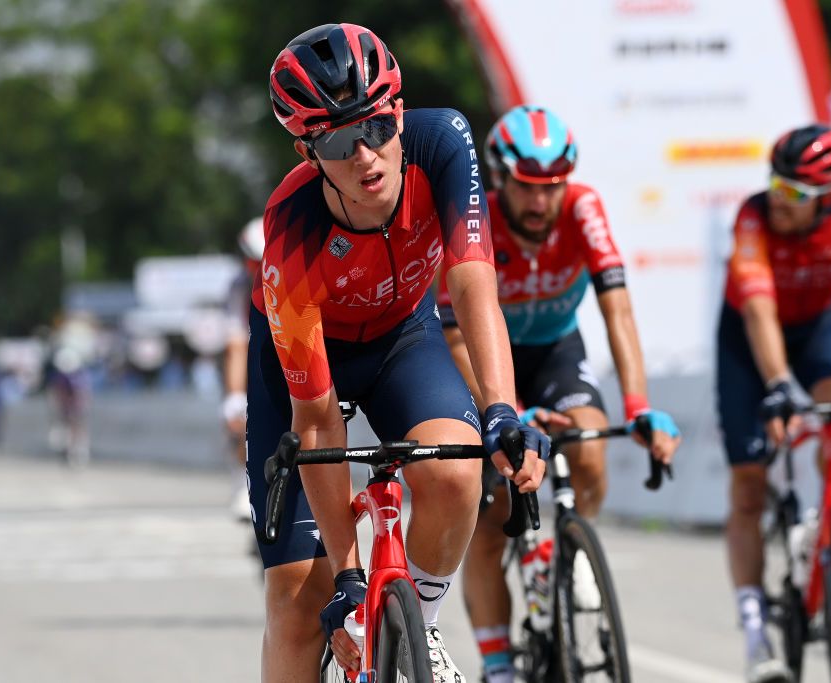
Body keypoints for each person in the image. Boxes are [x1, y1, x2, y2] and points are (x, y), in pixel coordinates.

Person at [250, 23, 548, 683]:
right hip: (305, 369)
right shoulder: (291, 229)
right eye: (336, 139)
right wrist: (349, 578)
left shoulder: (443, 142)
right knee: (300, 603)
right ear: (307, 149)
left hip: (400, 340)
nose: (366, 155)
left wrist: (501, 408)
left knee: (455, 472)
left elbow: (474, 286)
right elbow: (318, 417)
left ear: (400, 113)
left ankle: (423, 628)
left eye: (379, 127)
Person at [438, 105, 681, 683]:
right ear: (500, 179)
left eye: (553, 187)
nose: (542, 202)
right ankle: (497, 664)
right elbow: (453, 335)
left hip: (554, 350)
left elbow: (617, 308)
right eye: (528, 187)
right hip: (482, 355)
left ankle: (567, 551)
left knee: (591, 451)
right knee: (495, 510)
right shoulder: (475, 217)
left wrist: (640, 405)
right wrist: (506, 412)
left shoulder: (584, 208)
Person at [717, 124, 831, 682]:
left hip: (817, 326)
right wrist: (779, 383)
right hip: (749, 338)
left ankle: (829, 516)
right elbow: (759, 307)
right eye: (775, 184)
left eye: (794, 193)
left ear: (828, 198)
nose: (778, 200)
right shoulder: (754, 215)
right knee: (748, 483)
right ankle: (755, 633)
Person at [222, 217, 264, 522]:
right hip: (258, 354)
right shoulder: (239, 286)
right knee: (244, 420)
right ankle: (244, 482)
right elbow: (237, 346)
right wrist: (235, 398)